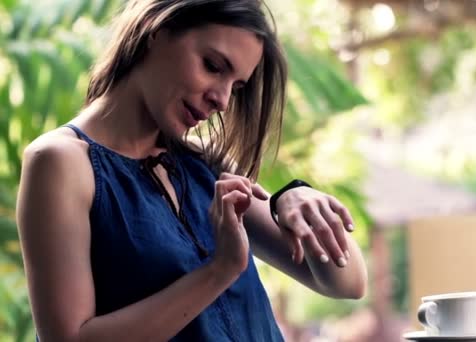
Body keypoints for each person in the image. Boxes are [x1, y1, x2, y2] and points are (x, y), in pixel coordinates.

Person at [15, 0, 367, 341]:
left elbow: (345, 282)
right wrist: (220, 270)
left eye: (237, 85)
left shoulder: (204, 166)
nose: (223, 100)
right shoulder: (60, 162)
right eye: (213, 66)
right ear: (158, 29)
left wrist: (293, 195)